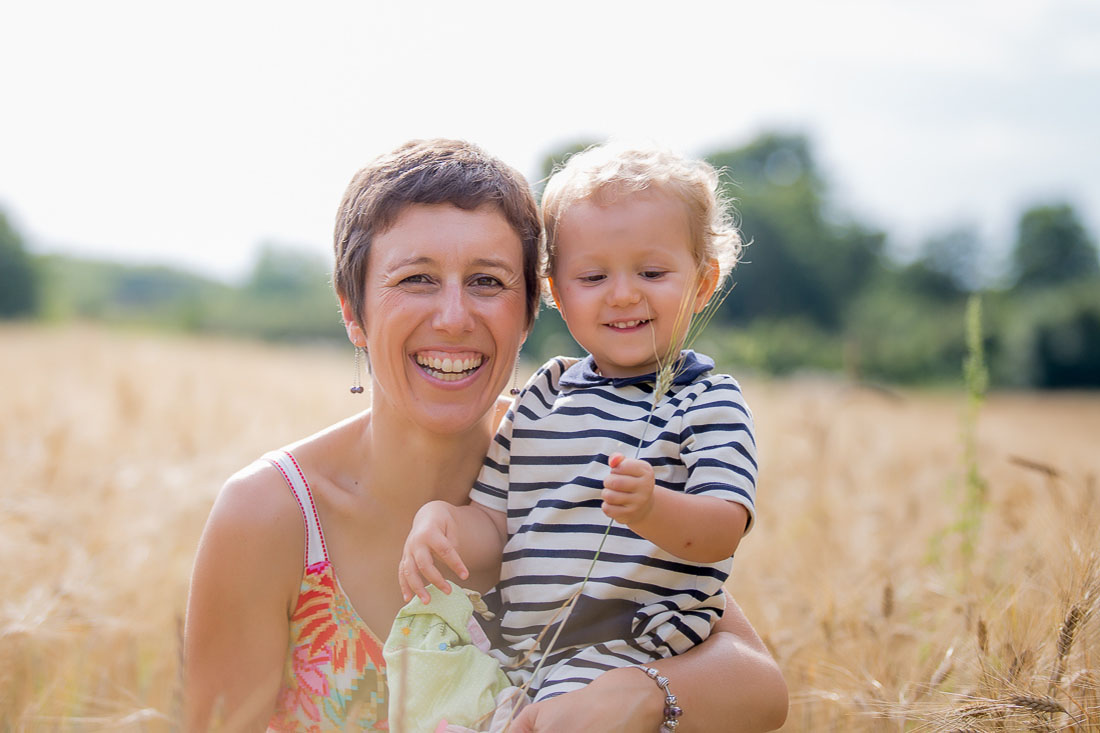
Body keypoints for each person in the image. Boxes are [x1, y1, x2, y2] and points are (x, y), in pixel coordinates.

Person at [183, 138, 787, 732]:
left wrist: (646, 693)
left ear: (530, 310)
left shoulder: (574, 445)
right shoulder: (270, 514)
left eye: (488, 282)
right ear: (352, 309)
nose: (453, 317)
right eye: (417, 278)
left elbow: (758, 682)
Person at [400, 141, 758, 712]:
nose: (623, 293)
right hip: (523, 657)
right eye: (592, 277)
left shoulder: (705, 402)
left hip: (633, 646)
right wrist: (440, 521)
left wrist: (651, 509)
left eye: (652, 271)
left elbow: (722, 531)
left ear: (704, 281)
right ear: (558, 297)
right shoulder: (544, 394)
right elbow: (496, 528)